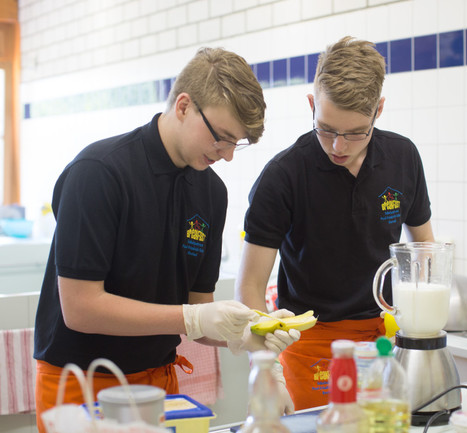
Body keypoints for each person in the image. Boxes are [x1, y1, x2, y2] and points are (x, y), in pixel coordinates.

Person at [33, 47, 300, 432]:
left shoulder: (211, 193)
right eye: (221, 138)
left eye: (235, 144)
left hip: (160, 385)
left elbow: (199, 310)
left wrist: (245, 334)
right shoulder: (99, 173)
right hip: (80, 386)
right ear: (184, 106)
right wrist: (190, 318)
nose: (226, 156)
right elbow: (79, 307)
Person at [235, 36, 435, 411]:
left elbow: (425, 255)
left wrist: (420, 328)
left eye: (355, 133)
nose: (338, 146)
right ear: (312, 105)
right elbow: (249, 286)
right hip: (307, 344)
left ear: (379, 110)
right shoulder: (284, 175)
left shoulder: (403, 158)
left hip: (382, 341)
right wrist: (266, 369)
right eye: (325, 129)